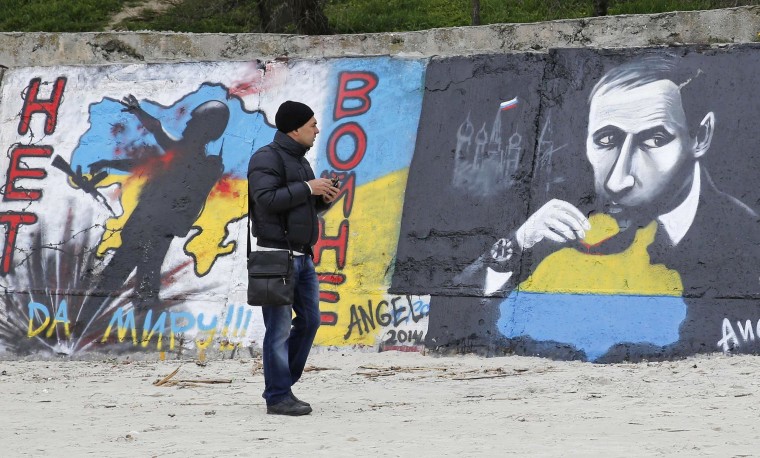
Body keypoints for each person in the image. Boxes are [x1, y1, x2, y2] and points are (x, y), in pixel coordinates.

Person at [458, 54, 760, 311]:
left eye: (654, 139)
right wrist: (518, 243)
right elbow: (453, 314)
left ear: (701, 137)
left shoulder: (745, 237)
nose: (617, 181)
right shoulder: (559, 222)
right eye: (606, 140)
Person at [78, 95, 229, 330]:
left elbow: (157, 131)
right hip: (154, 230)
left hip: (149, 230)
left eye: (194, 121)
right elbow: (149, 162)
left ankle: (86, 325)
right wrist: (110, 160)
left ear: (205, 128)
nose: (187, 124)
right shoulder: (193, 159)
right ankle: (140, 331)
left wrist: (138, 111)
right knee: (144, 283)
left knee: (119, 278)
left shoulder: (188, 156)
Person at [248, 101, 339, 416]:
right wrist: (307, 187)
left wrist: (322, 200)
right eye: (312, 124)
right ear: (295, 128)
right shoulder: (265, 157)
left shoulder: (300, 162)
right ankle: (277, 396)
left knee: (311, 321)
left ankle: (282, 383)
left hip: (303, 257)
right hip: (273, 256)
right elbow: (266, 200)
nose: (317, 130)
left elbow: (300, 208)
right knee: (278, 328)